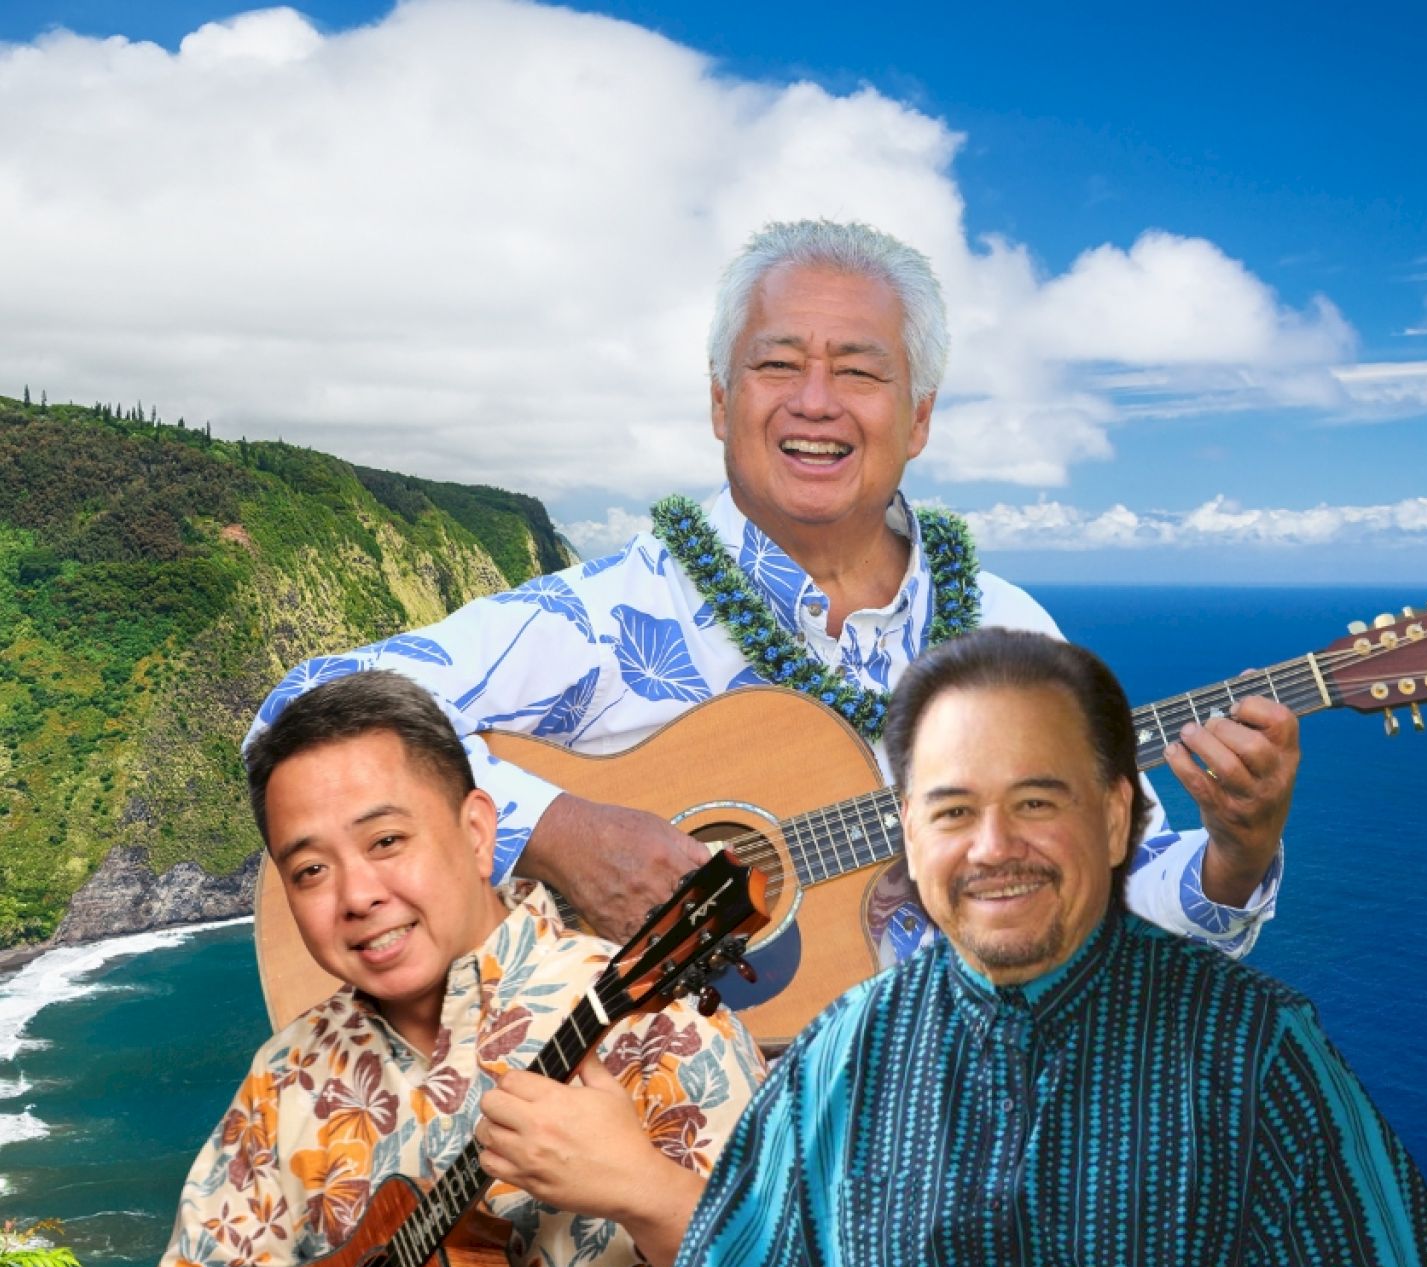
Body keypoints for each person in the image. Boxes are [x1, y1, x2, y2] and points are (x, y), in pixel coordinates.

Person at [637, 627, 1427, 1267]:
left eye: (1039, 802)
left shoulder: (1256, 1043)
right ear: (907, 834)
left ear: (1119, 818)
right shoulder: (839, 1051)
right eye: (954, 811)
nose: (994, 848)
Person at [247, 219, 1298, 975]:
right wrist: (558, 829)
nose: (815, 402)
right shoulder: (616, 619)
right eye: (777, 364)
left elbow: (1121, 902)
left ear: (919, 416)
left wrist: (1235, 851)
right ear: (719, 401)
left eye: (859, 371)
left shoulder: (1013, 639)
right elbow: (306, 707)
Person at [140, 671, 764, 1267]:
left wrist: (640, 1185)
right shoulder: (292, 1071)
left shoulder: (656, 1016)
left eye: (387, 841)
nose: (356, 894)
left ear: (477, 833)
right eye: (311, 870)